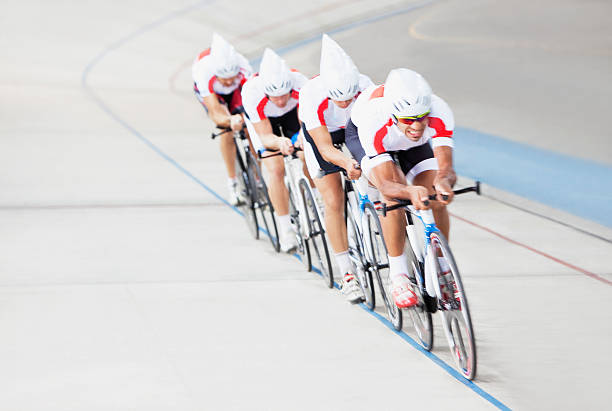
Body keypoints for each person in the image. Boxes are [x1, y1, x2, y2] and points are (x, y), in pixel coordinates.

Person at [345, 68, 456, 309]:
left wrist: (444, 183)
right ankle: (399, 277)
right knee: (392, 199)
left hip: (409, 145)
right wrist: (408, 192)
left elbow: (446, 168)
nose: (416, 126)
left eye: (421, 117)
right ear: (394, 114)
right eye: (408, 119)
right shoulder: (373, 117)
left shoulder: (439, 110)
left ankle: (443, 270)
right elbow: (386, 184)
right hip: (372, 141)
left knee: (435, 196)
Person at [298, 34, 373, 303]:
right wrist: (345, 163)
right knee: (333, 200)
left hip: (354, 131)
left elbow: (375, 136)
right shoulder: (311, 94)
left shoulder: (365, 86)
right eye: (338, 100)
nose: (343, 104)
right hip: (324, 137)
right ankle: (347, 275)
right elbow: (325, 147)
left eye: (348, 98)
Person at [241, 48, 309, 252]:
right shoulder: (252, 93)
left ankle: (316, 199)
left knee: (308, 154)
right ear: (265, 90)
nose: (280, 100)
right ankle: (285, 227)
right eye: (275, 96)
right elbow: (264, 136)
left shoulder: (301, 83)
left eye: (284, 95)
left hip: (293, 115)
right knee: (275, 169)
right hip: (265, 123)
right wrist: (279, 143)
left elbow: (307, 126)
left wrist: (302, 141)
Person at [192, 32, 252, 205]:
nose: (227, 81)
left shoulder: (243, 66)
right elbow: (215, 111)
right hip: (213, 95)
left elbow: (251, 101)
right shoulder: (203, 71)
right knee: (225, 130)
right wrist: (229, 121)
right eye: (224, 78)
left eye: (231, 77)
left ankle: (256, 179)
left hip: (237, 92)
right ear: (216, 72)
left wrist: (244, 118)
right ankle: (232, 182)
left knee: (250, 127)